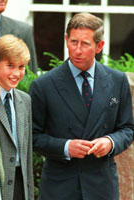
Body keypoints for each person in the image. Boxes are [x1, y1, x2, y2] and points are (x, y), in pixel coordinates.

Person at [29, 12, 134, 200]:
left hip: (102, 185)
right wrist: (65, 147)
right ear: (66, 40)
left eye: (85, 44)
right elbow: (32, 137)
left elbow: (127, 128)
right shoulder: (43, 85)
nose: (77, 50)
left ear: (99, 46)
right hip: (60, 186)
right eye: (73, 42)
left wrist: (110, 142)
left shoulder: (117, 81)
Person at [0, 34, 34, 200]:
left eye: (21, 67)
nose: (16, 73)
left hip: (20, 183)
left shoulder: (25, 100)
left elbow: (27, 151)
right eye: (10, 66)